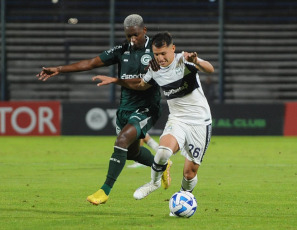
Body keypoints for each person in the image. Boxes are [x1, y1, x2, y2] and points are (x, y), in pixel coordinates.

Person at [36, 15, 172, 205]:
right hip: (125, 106)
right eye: (128, 36)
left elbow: (144, 84)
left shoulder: (156, 52)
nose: (132, 39)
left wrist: (115, 80)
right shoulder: (122, 50)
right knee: (132, 153)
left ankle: (105, 190)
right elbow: (91, 63)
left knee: (122, 139)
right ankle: (162, 165)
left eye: (135, 35)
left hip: (147, 107)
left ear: (145, 30)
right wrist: (59, 69)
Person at [92, 32, 214, 202]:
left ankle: (184, 199)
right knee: (163, 152)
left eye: (164, 53)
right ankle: (154, 183)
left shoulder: (183, 60)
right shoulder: (154, 68)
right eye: (156, 54)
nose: (160, 58)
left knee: (189, 173)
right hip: (177, 119)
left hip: (200, 122)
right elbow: (141, 85)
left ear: (173, 49)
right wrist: (115, 80)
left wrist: (196, 61)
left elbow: (210, 69)